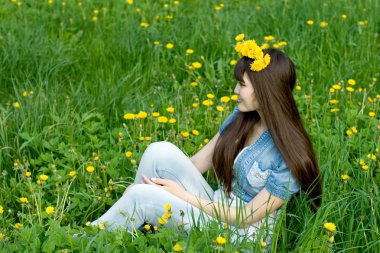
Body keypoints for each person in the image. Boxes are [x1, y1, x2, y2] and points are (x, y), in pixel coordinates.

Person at [89, 38, 322, 245]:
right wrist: (163, 185)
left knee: (141, 197)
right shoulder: (243, 117)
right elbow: (199, 161)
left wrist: (179, 195)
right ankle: (132, 216)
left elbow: (244, 218)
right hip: (216, 205)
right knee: (159, 151)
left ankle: (84, 241)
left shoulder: (291, 155)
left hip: (240, 237)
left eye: (242, 85)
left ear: (265, 91)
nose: (234, 90)